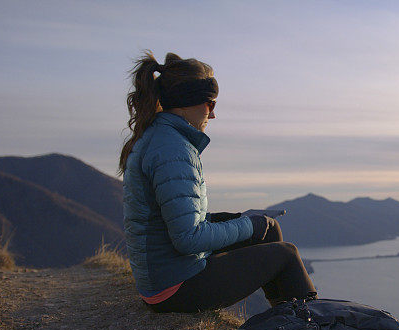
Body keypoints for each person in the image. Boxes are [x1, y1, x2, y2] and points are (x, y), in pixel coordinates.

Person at [119, 50, 318, 313]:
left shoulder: (162, 138)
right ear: (189, 101)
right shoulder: (172, 150)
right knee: (287, 255)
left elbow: (182, 221)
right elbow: (188, 239)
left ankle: (287, 323)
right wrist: (246, 225)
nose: (212, 115)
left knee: (267, 230)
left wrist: (242, 218)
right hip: (174, 287)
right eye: (211, 104)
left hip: (167, 273)